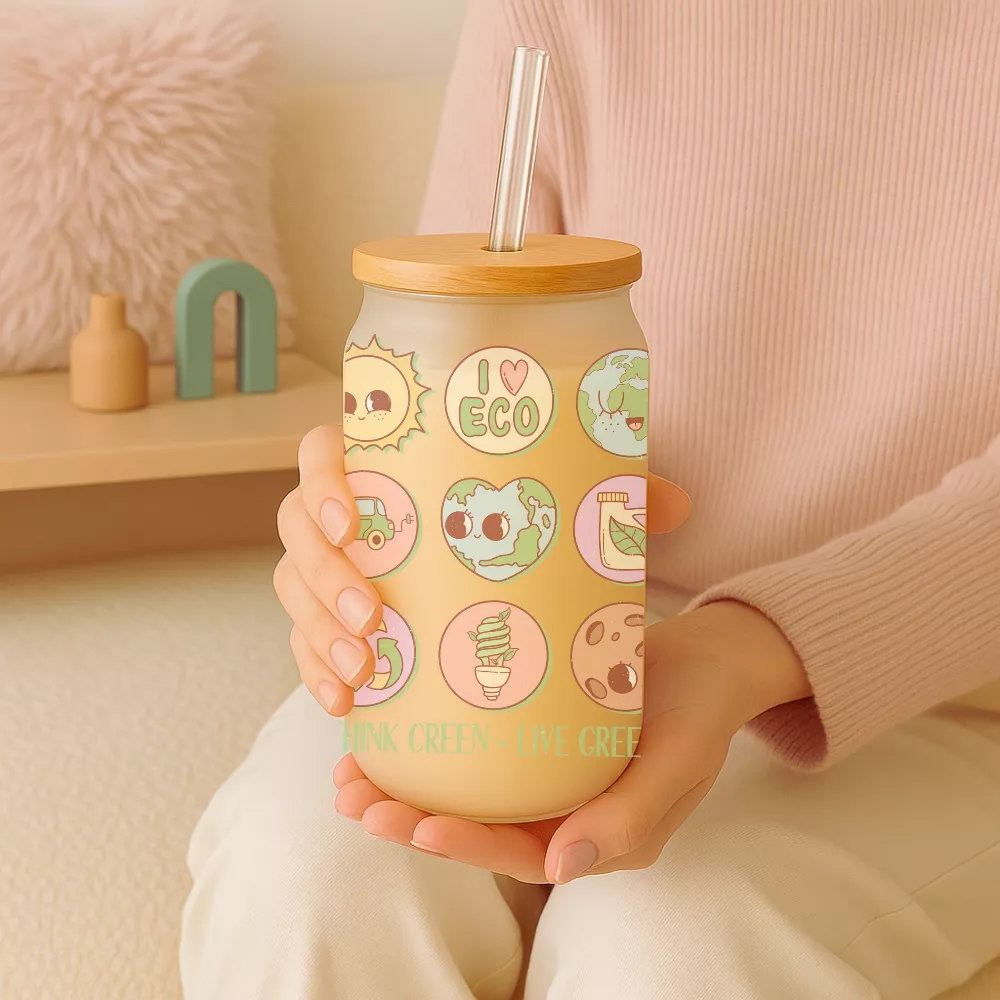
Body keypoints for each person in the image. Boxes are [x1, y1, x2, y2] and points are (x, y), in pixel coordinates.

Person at [180, 2, 1000, 997]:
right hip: (558, 621)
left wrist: (748, 646)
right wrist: (360, 517)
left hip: (946, 685)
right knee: (305, 884)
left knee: (671, 945)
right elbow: (454, 342)